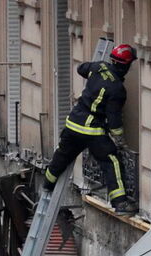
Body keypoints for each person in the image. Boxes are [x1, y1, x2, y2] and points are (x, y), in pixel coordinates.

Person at [43, 44, 138, 214]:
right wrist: (120, 141)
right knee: (112, 161)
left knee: (62, 155)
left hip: (73, 123)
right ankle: (120, 203)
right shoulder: (117, 89)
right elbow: (114, 119)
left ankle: (47, 183)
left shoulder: (98, 67)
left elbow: (81, 68)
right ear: (125, 66)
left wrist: (94, 75)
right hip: (92, 131)